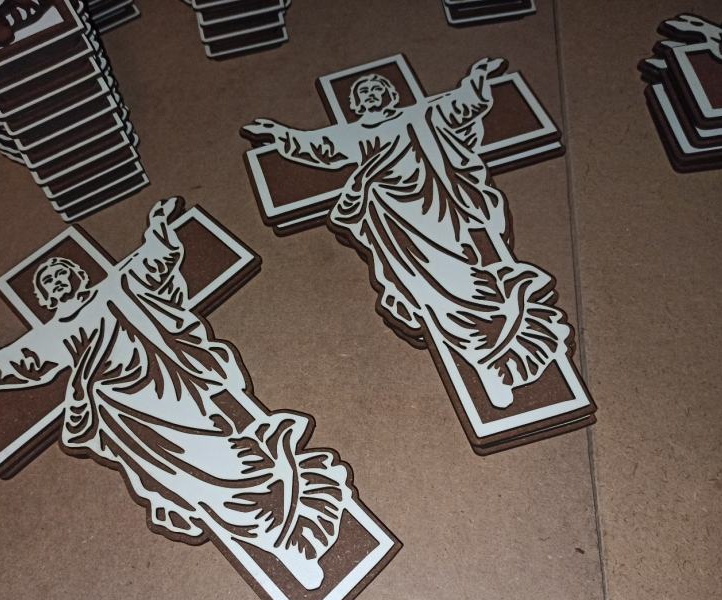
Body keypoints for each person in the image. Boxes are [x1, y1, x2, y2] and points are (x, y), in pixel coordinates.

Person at [0, 199, 353, 590]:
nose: (58, 282)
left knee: (234, 457)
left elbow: (155, 260)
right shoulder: (53, 334)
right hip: (135, 421)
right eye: (49, 283)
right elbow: (19, 362)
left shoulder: (117, 286)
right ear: (44, 299)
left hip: (180, 394)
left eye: (61, 274)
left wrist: (158, 226)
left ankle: (294, 523)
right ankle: (283, 546)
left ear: (78, 276)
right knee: (196, 483)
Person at [243, 59, 572, 408]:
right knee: (432, 293)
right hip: (399, 229)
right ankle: (488, 364)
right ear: (355, 105)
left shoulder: (421, 115)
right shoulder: (352, 135)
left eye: (377, 89)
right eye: (363, 92)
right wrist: (279, 134)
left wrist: (478, 77)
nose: (371, 94)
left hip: (447, 216)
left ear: (390, 95)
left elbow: (462, 106)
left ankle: (515, 350)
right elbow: (318, 147)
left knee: (478, 278)